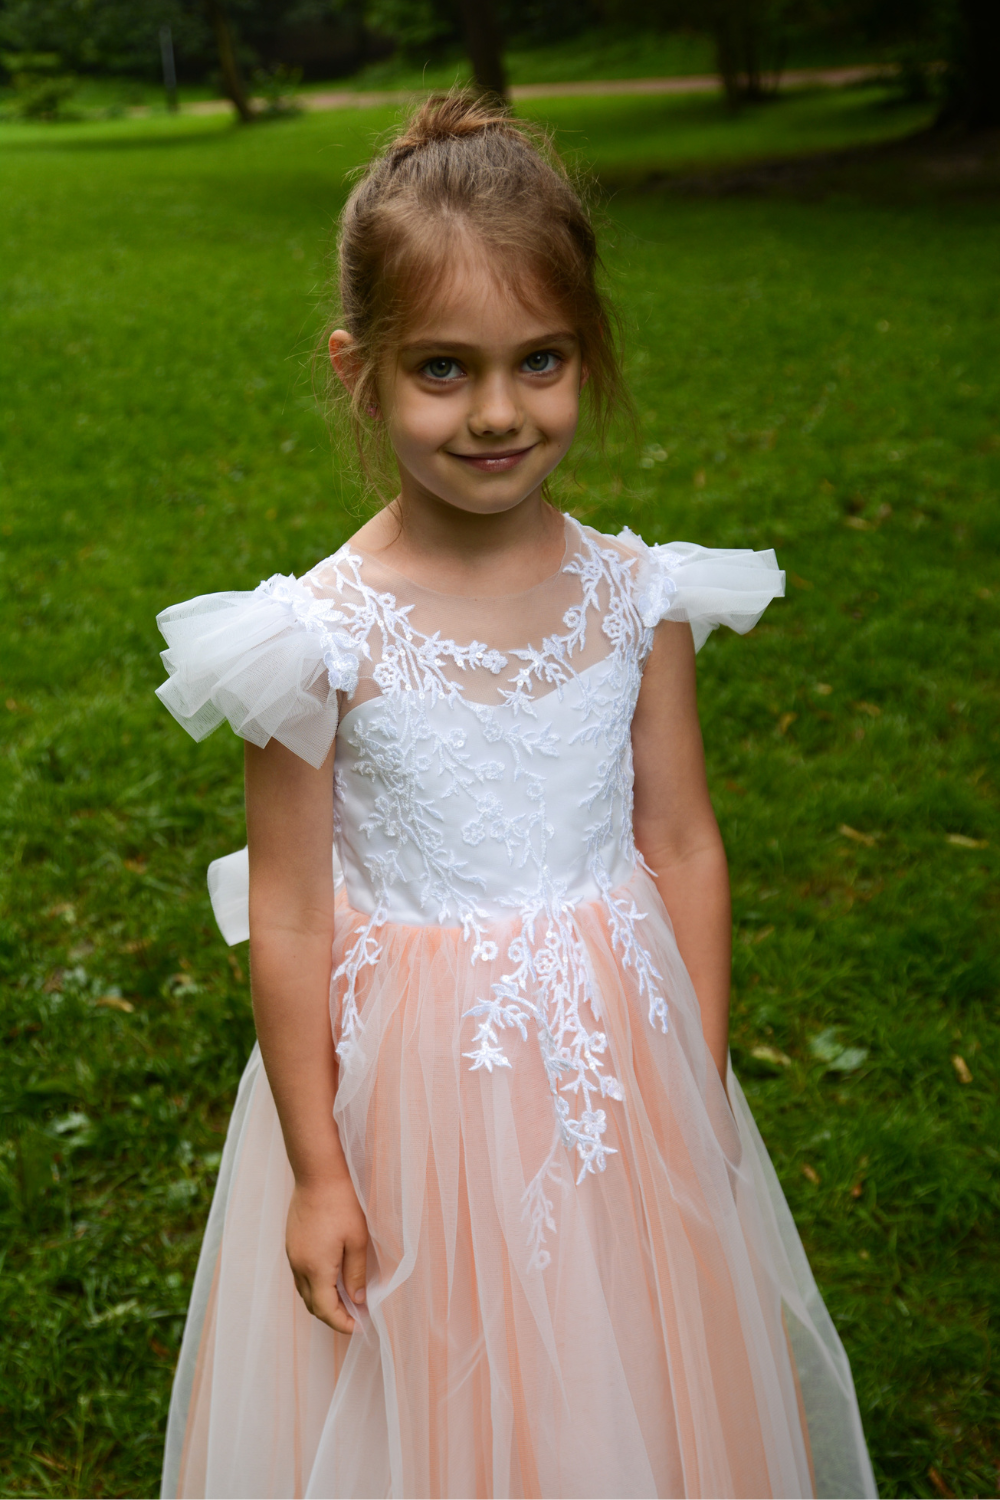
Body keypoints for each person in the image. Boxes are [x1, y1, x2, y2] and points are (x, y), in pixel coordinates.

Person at [154, 92, 876, 1500]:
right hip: (410, 1098)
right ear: (358, 370)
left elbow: (678, 838)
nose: (498, 412)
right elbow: (293, 911)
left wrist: (699, 1080)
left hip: (620, 1065)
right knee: (437, 1384)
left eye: (539, 362)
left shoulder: (635, 596)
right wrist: (318, 1171)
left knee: (634, 1369)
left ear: (586, 354)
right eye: (444, 370)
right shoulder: (314, 639)